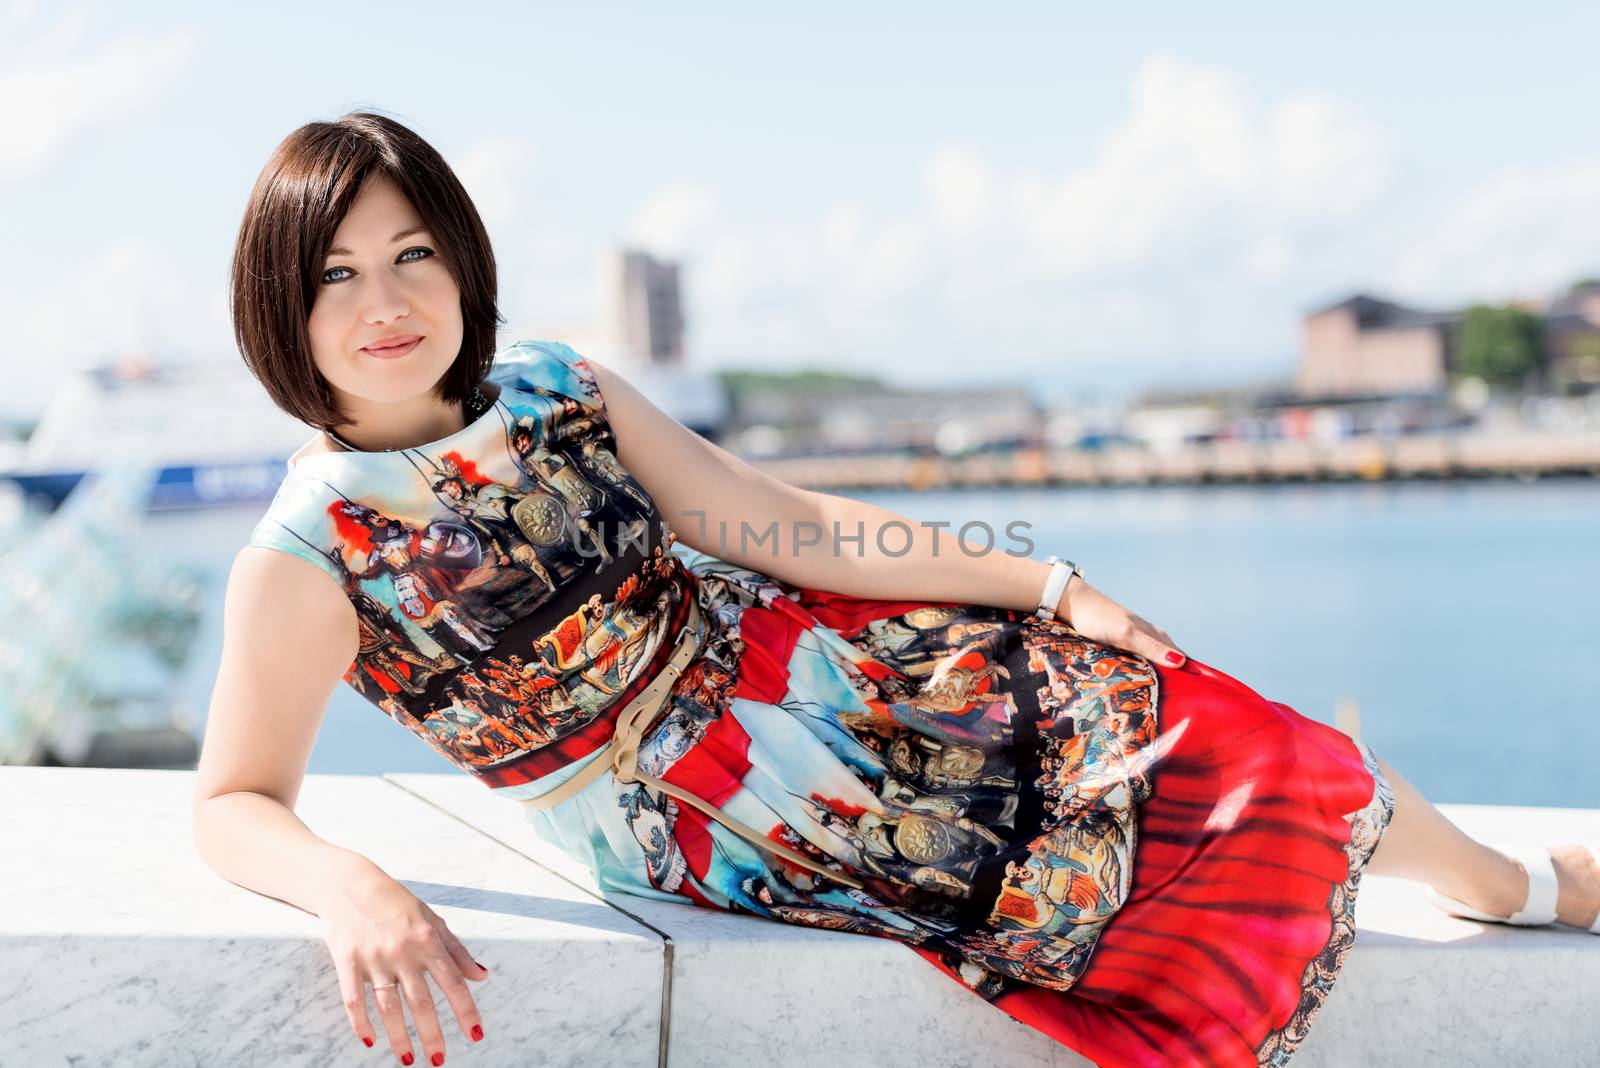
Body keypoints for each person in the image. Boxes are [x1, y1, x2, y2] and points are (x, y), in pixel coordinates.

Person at [192, 110, 1600, 1068]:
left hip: (814, 660)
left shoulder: (556, 385)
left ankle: (1492, 879)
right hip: (690, 805)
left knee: (1171, 704)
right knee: (1057, 881)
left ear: (461, 259)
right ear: (282, 308)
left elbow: (785, 525)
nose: (386, 305)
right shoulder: (309, 550)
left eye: (413, 253)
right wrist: (348, 887)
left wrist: (1045, 581)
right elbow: (233, 801)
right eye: (336, 277)